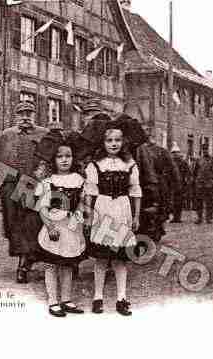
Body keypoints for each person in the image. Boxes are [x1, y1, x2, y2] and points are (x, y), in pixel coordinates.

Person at [0, 100, 48, 284]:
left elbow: (53, 158)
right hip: (11, 187)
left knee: (30, 225)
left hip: (33, 188)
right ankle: (26, 259)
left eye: (29, 113)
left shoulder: (43, 134)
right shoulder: (7, 135)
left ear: (34, 115)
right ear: (16, 116)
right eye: (21, 114)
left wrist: (45, 172)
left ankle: (23, 266)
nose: (25, 117)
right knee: (13, 226)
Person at [84, 121, 142, 316]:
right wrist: (89, 213)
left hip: (122, 209)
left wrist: (136, 216)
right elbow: (90, 192)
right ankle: (98, 297)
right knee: (101, 258)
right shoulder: (95, 165)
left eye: (117, 140)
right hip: (103, 207)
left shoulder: (130, 164)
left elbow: (135, 191)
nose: (114, 144)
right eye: (109, 140)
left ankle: (121, 298)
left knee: (120, 259)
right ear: (103, 142)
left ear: (123, 141)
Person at [34, 137, 87, 317]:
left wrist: (79, 216)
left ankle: (66, 299)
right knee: (51, 265)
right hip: (54, 227)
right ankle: (53, 301)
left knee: (67, 265)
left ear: (73, 159)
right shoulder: (48, 182)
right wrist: (49, 227)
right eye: (59, 157)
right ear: (53, 160)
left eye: (68, 156)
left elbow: (81, 203)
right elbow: (42, 208)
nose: (64, 160)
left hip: (71, 228)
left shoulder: (79, 180)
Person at [135, 126, 180, 242]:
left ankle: (155, 230)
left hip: (154, 184)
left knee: (155, 209)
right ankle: (153, 230)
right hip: (151, 184)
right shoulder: (140, 149)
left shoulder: (157, 151)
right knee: (153, 209)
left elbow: (173, 169)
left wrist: (175, 184)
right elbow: (173, 170)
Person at [193, 144, 213, 224]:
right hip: (200, 184)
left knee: (209, 202)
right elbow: (195, 172)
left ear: (208, 150)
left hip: (210, 184)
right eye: (204, 150)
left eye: (206, 149)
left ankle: (208, 218)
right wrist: (195, 181)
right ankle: (199, 218)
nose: (205, 151)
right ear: (202, 150)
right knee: (199, 201)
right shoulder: (198, 160)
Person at [170, 143, 192, 223]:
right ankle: (174, 217)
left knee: (179, 201)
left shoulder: (183, 163)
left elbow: (188, 173)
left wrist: (187, 182)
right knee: (172, 201)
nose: (175, 154)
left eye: (176, 152)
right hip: (172, 184)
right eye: (174, 153)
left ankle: (178, 217)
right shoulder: (170, 162)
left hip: (181, 184)